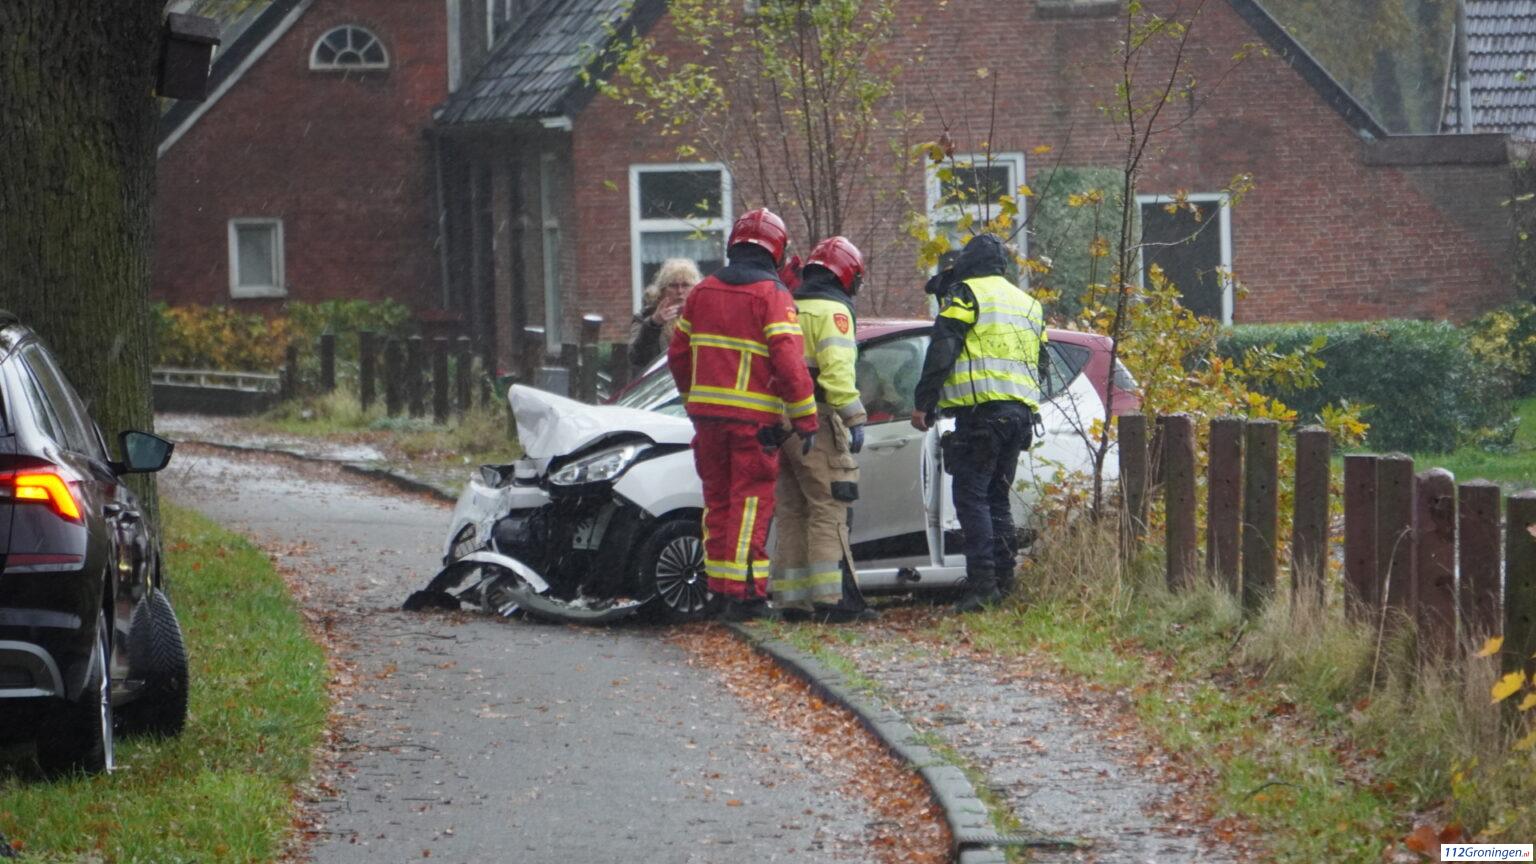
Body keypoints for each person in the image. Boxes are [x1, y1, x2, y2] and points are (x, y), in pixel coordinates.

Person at [667, 208, 818, 621]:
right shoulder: (773, 296)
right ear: (776, 249)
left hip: (707, 422)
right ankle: (745, 596)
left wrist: (692, 400)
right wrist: (806, 418)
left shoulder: (702, 292)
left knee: (717, 504)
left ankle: (717, 593)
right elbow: (789, 362)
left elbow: (677, 354)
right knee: (749, 505)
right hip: (753, 425)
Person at [910, 234, 1048, 612]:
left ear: (968, 263)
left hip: (982, 415)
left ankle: (982, 586)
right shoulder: (1029, 304)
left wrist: (924, 402)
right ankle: (1004, 582)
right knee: (997, 499)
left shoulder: (967, 294)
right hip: (1020, 416)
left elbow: (943, 346)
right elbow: (1043, 364)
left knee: (971, 499)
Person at [770, 236, 875, 623]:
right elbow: (836, 372)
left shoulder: (787, 303)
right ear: (848, 276)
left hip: (778, 423)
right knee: (829, 508)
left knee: (793, 512)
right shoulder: (834, 312)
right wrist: (854, 417)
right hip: (816, 419)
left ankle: (792, 601)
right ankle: (833, 602)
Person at [631, 258, 703, 377]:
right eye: (673, 286)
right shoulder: (645, 318)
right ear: (662, 291)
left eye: (685, 285)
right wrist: (654, 324)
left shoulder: (703, 317)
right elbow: (637, 358)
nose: (679, 291)